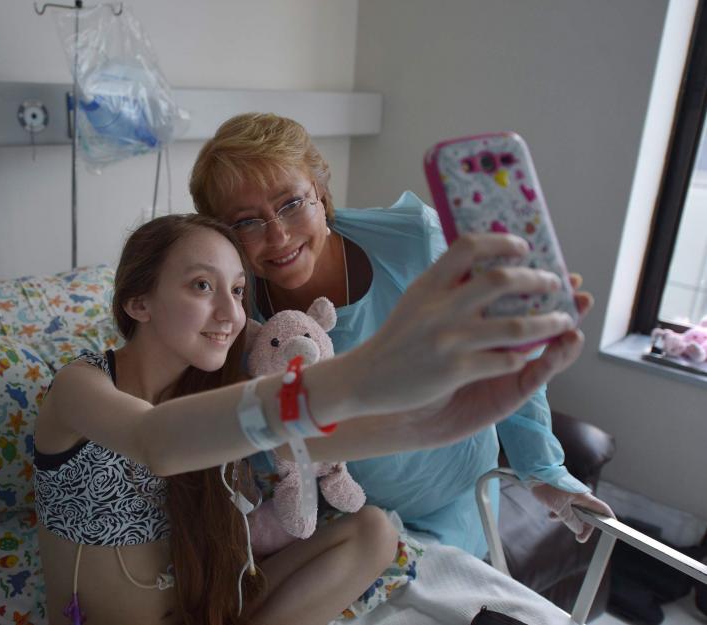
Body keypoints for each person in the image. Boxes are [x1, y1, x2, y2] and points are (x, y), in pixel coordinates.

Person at [33, 213, 582, 625]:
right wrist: (365, 371)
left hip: (213, 612)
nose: (229, 313)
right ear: (139, 303)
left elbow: (308, 443)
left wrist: (440, 421)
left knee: (374, 530)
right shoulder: (80, 388)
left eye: (238, 290)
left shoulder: (213, 389)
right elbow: (154, 441)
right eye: (202, 285)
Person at [189, 112, 613, 558]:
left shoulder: (416, 244)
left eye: (291, 203)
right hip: (343, 517)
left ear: (320, 192)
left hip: (452, 499)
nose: (277, 235)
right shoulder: (233, 310)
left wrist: (543, 469)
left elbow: (508, 348)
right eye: (247, 222)